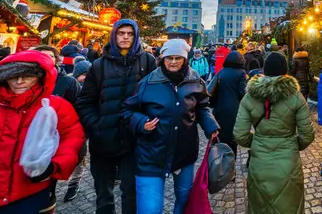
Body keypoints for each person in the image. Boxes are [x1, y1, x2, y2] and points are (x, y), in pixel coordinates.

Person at [122, 39, 219, 214]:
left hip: (184, 153)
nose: (173, 62)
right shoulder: (148, 82)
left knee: (184, 199)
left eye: (177, 58)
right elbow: (128, 110)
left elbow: (202, 106)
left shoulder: (195, 80)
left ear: (185, 59)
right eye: (169, 58)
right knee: (149, 209)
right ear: (162, 59)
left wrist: (210, 125)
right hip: (151, 154)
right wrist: (141, 122)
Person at [76, 19, 157, 214]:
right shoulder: (98, 65)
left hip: (134, 140)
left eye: (130, 33)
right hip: (103, 141)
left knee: (130, 193)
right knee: (104, 196)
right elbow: (85, 102)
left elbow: (154, 99)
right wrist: (97, 125)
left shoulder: (147, 61)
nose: (125, 37)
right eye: (121, 33)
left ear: (135, 36)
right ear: (114, 35)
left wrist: (143, 124)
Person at [0, 50, 85, 213]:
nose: (19, 82)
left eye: (27, 77)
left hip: (29, 192)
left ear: (41, 77)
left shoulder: (56, 106)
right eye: (13, 76)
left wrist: (54, 166)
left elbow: (73, 138)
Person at [234, 52, 315, 214]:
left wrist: (257, 142)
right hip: (288, 164)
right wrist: (292, 144)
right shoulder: (296, 97)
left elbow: (240, 135)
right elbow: (307, 135)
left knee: (260, 207)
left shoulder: (250, 96)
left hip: (259, 165)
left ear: (265, 70)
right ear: (285, 70)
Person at [63, 60, 93, 202]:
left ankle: (74, 183)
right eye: (83, 75)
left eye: (89, 74)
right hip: (67, 127)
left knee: (79, 157)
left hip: (83, 128)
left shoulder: (94, 86)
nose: (86, 78)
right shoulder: (68, 85)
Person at [211, 51, 247, 157]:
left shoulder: (221, 72)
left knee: (220, 138)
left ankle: (219, 162)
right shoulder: (241, 73)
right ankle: (230, 164)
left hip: (219, 109)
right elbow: (242, 93)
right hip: (233, 109)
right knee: (232, 139)